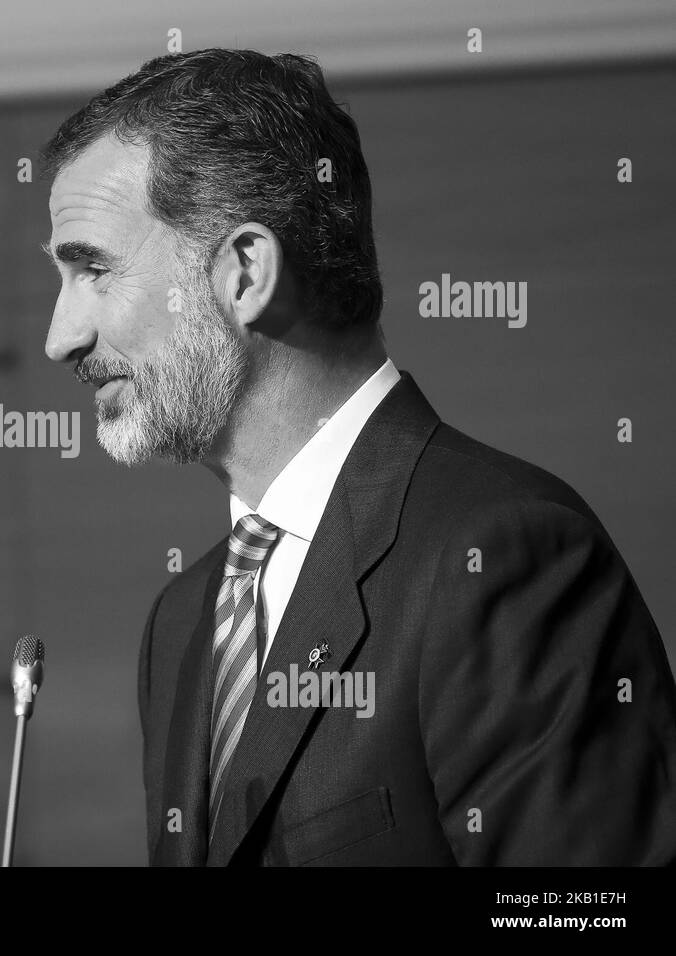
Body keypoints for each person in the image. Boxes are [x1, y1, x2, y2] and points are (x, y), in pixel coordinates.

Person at [38, 48, 676, 865]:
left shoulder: (504, 557)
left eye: (92, 267)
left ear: (243, 274)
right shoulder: (182, 621)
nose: (63, 338)